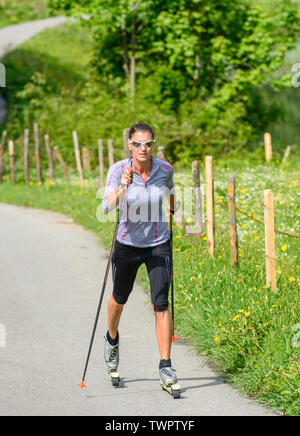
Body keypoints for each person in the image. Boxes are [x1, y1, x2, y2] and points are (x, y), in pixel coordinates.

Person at [102, 121, 179, 389]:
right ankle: (112, 339)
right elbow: (106, 207)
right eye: (137, 144)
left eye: (147, 143)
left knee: (161, 304)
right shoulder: (118, 170)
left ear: (153, 144)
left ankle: (166, 366)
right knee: (119, 299)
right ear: (129, 145)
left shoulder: (165, 169)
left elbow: (171, 197)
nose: (142, 148)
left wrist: (174, 211)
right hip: (127, 244)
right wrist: (123, 187)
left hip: (158, 244)